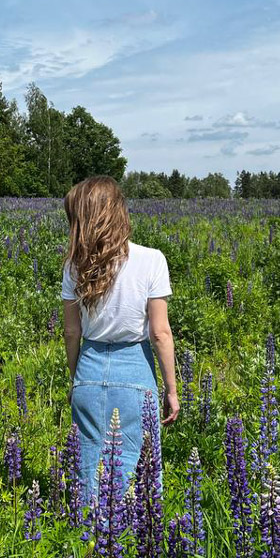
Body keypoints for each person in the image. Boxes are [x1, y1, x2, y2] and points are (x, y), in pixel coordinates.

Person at [61, 175, 179, 500]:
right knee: (139, 481)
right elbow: (160, 333)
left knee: (88, 479)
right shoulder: (151, 258)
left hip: (89, 371)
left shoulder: (74, 266)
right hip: (135, 375)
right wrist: (171, 389)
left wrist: (76, 379)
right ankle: (130, 549)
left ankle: (87, 546)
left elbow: (72, 332)